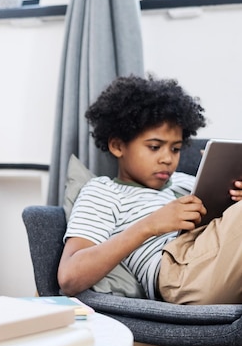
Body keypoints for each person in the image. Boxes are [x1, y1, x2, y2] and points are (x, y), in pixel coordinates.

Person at [57, 74, 242, 305]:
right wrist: (149, 226)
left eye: (175, 149)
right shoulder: (103, 192)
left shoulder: (186, 182)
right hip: (178, 271)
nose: (167, 159)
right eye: (155, 147)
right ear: (117, 146)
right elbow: (69, 277)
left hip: (219, 257)